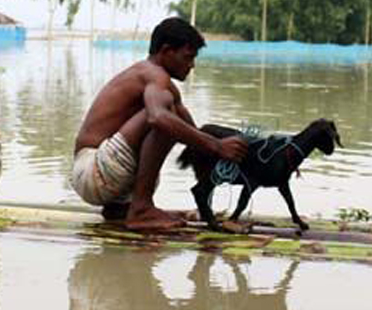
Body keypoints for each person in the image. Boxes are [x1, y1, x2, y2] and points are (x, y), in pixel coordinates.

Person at [71, 17, 248, 231]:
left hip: (105, 179)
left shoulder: (164, 88)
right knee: (165, 118)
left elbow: (195, 140)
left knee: (180, 125)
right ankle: (141, 209)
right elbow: (157, 118)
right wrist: (218, 146)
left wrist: (238, 151)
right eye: (188, 57)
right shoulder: (153, 75)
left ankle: (123, 209)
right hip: (93, 172)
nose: (192, 65)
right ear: (166, 51)